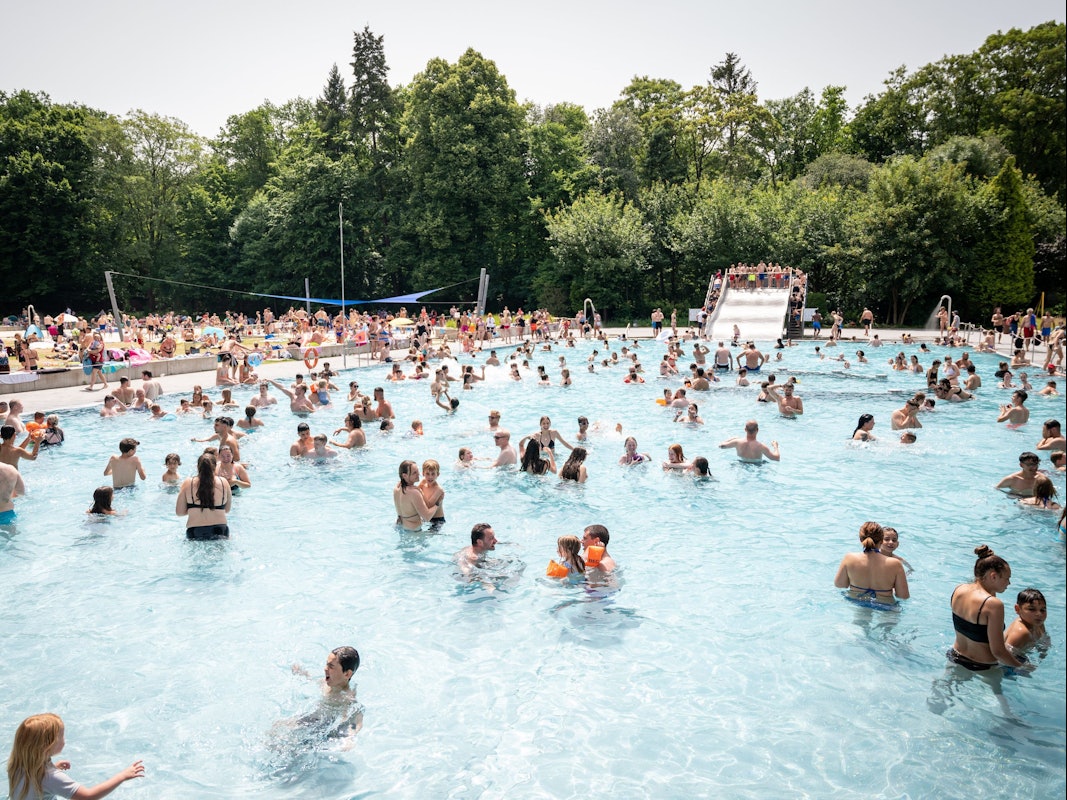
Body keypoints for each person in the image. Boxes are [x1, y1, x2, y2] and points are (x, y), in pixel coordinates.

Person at [6, 712, 144, 800]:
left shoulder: (17, 764)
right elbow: (88, 796)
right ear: (48, 746)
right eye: (61, 736)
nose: (64, 740)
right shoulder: (50, 777)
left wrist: (55, 767)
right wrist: (122, 776)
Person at [947, 545, 1032, 672]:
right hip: (983, 666)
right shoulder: (993, 605)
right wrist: (1023, 667)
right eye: (1007, 578)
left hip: (955, 656)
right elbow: (998, 652)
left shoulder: (959, 589)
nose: (1009, 583)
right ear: (993, 576)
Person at [833, 521, 909, 606]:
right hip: (885, 604)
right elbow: (903, 596)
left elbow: (840, 585)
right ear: (881, 540)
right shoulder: (895, 563)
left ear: (861, 539)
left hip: (857, 600)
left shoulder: (849, 558)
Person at [175, 453, 232, 539]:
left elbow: (179, 512)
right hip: (221, 530)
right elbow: (226, 510)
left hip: (195, 532)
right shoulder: (223, 482)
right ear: (215, 466)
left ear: (197, 467)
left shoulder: (188, 483)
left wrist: (194, 509)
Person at [1004, 588, 1050, 657]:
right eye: (1032, 609)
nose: (1039, 614)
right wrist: (1024, 666)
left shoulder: (1038, 622)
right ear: (1018, 609)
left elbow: (1045, 639)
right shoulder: (1021, 632)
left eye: (1042, 610)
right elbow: (1004, 656)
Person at [393, 460, 438, 530]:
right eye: (414, 473)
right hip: (414, 531)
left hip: (399, 526)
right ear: (404, 476)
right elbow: (427, 517)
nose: (418, 474)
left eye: (417, 471)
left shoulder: (397, 487)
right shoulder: (414, 493)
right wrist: (437, 504)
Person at [419, 459, 446, 525]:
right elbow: (416, 493)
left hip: (437, 520)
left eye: (433, 474)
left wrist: (420, 491)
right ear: (423, 473)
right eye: (427, 474)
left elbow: (429, 506)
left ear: (438, 474)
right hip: (426, 518)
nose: (430, 477)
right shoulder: (423, 482)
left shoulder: (438, 489)